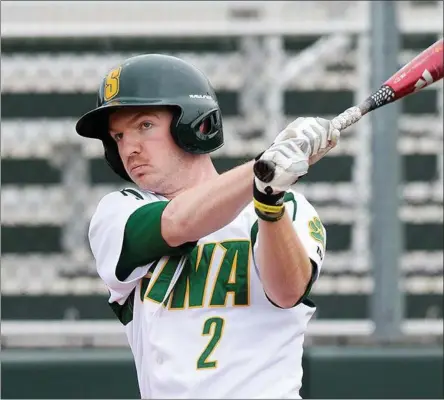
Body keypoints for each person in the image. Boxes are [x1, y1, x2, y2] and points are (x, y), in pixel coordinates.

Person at [75, 54, 342, 399]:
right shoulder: (118, 213)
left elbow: (287, 291)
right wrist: (265, 166)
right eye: (118, 136)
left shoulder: (289, 208)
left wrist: (269, 202)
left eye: (144, 126)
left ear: (193, 123)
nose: (130, 148)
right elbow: (178, 221)